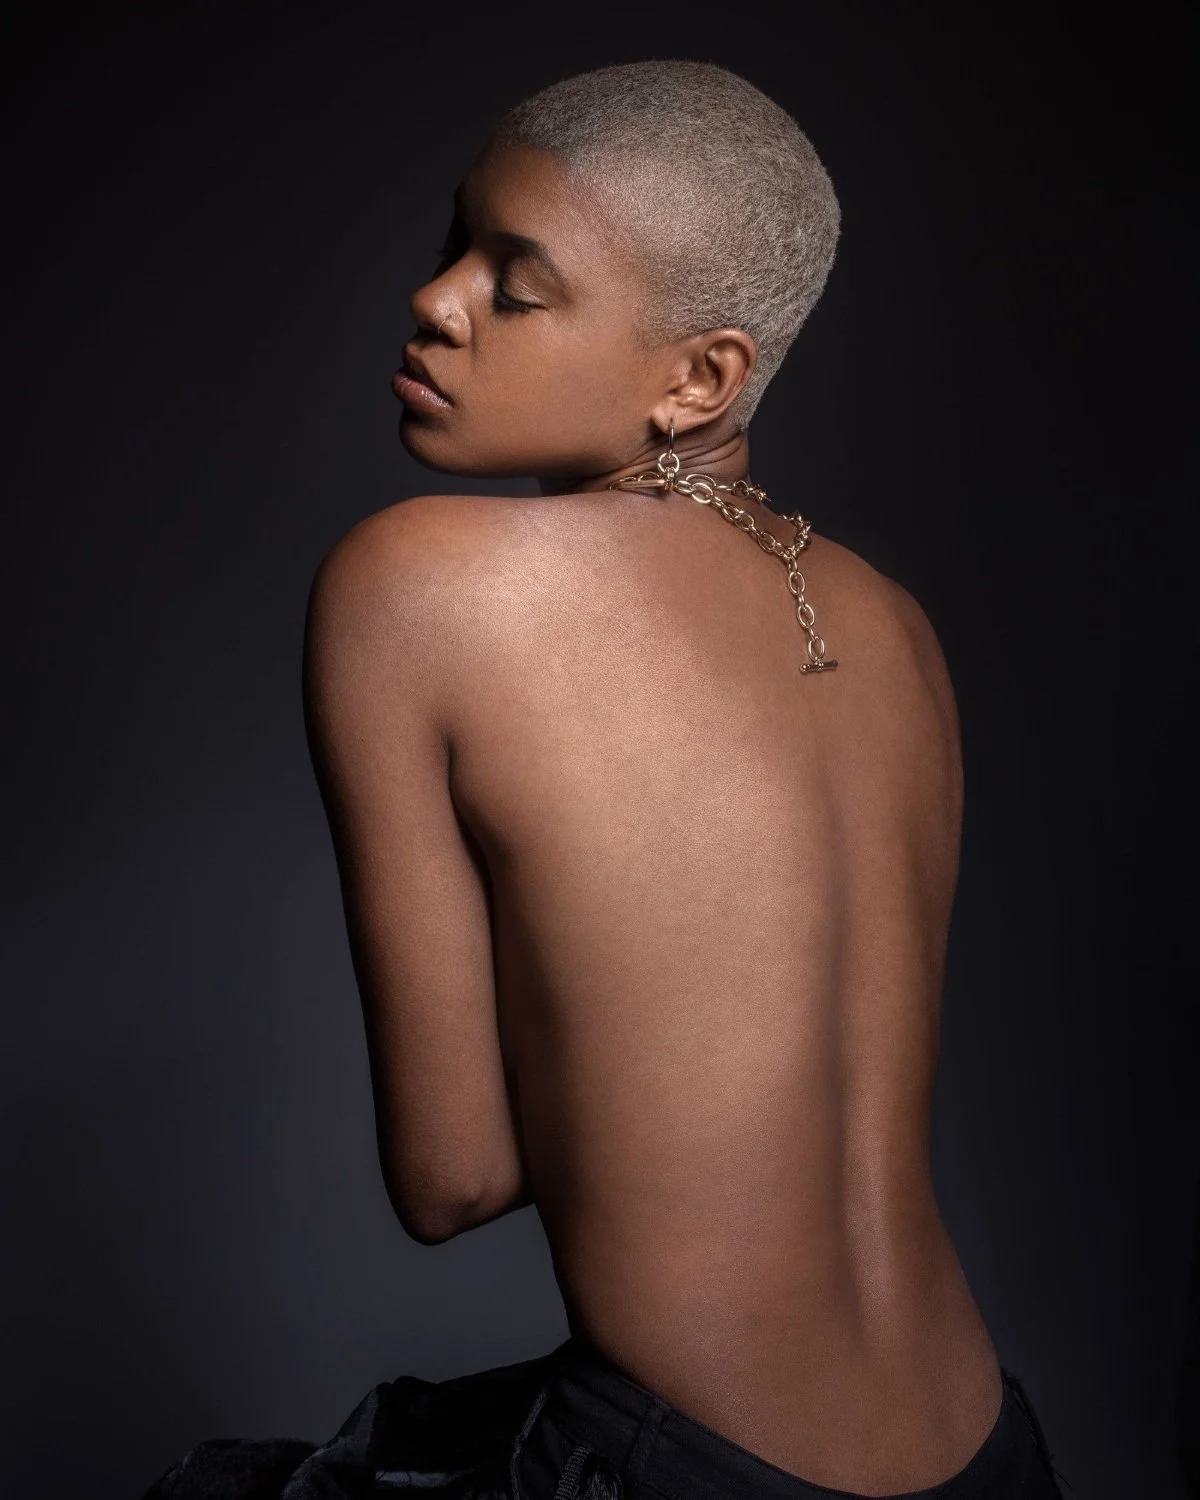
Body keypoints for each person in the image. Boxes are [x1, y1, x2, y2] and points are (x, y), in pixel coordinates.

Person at [143, 60, 1069, 1500]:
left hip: (694, 1465)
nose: (436, 299)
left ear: (698, 377)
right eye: (454, 242)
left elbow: (452, 1180)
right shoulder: (897, 624)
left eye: (515, 283)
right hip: (989, 1449)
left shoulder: (421, 584)